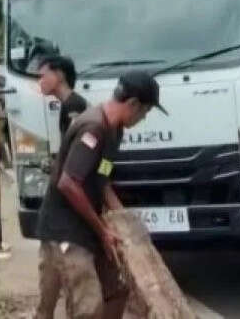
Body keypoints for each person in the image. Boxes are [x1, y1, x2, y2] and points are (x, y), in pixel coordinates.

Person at [34, 71, 166, 319]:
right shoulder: (93, 128)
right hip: (65, 229)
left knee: (116, 290)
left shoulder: (115, 133)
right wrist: (102, 230)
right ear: (133, 104)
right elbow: (69, 183)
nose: (143, 119)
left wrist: (122, 221)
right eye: (145, 112)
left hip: (87, 226)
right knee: (86, 306)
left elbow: (102, 178)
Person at [38, 55, 87, 134]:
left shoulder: (74, 105)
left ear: (59, 75)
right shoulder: (68, 102)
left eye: (43, 76)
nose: (40, 82)